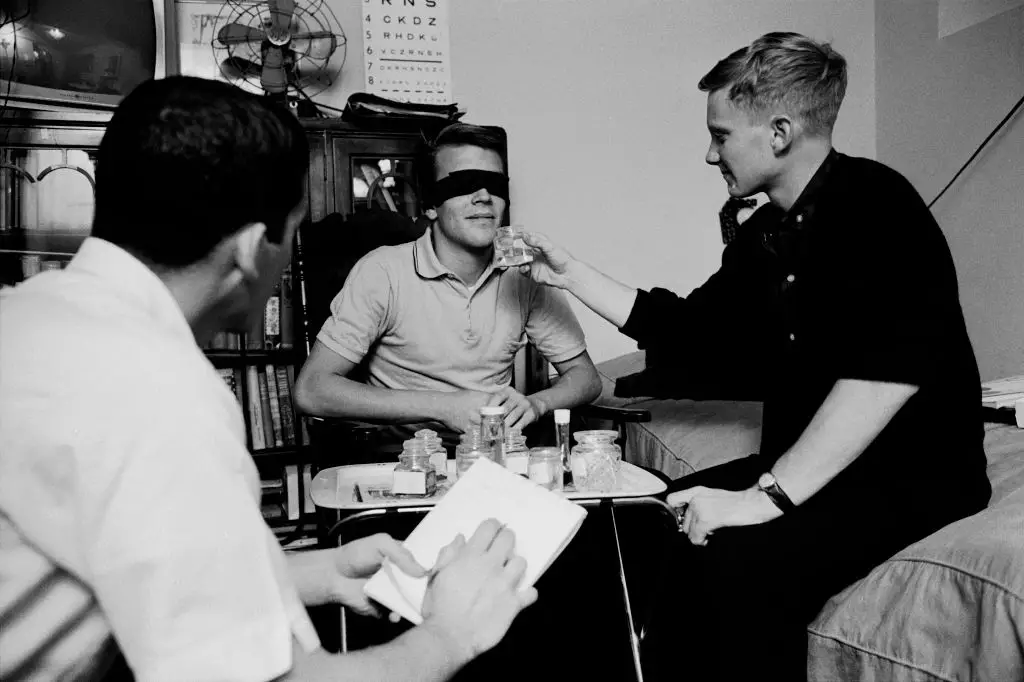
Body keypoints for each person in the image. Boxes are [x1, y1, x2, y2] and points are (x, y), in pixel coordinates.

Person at [0, 76, 535, 682]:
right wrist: (449, 635)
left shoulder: (27, 314)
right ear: (254, 249)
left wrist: (316, 572)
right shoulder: (162, 395)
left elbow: (130, 559)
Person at [521, 32, 990, 681]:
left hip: (907, 479)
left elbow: (886, 374)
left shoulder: (879, 204)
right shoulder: (766, 231)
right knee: (630, 525)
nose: (708, 152)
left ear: (779, 133)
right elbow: (689, 328)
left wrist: (764, 499)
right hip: (802, 466)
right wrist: (571, 274)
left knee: (731, 566)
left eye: (720, 135)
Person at [293, 123, 602, 450]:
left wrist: (537, 404)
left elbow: (586, 377)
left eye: (495, 185)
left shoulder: (524, 272)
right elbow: (311, 390)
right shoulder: (382, 272)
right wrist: (444, 406)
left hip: (493, 455)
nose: (484, 197)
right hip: (404, 459)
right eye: (464, 183)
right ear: (430, 204)